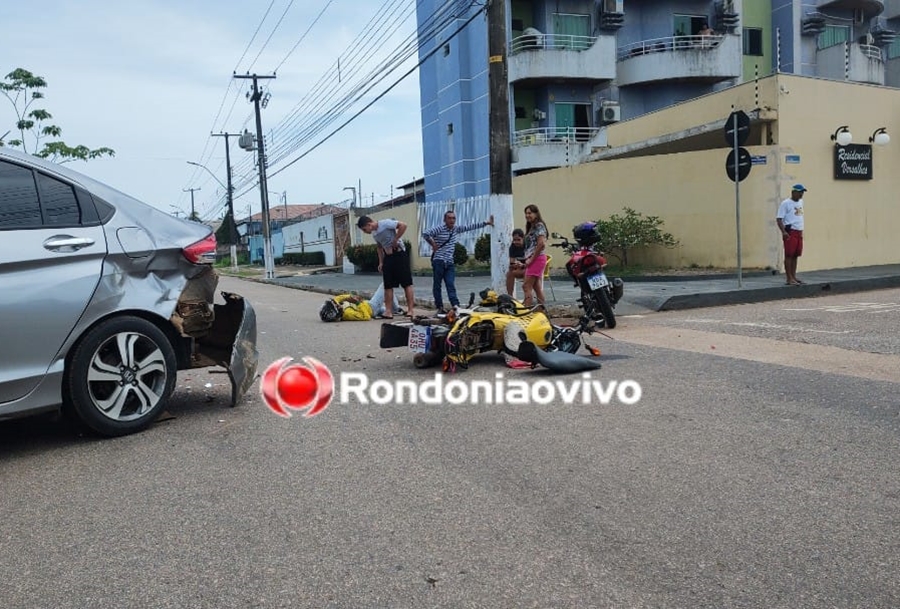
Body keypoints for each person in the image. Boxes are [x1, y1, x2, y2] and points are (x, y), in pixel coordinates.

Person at [423, 210, 494, 314]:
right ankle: (439, 307)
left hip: (449, 262)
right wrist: (433, 244)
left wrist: (486, 223)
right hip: (439, 261)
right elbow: (425, 234)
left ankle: (455, 305)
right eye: (449, 218)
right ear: (445, 219)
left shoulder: (456, 229)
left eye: (453, 218)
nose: (452, 220)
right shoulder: (439, 229)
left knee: (450, 284)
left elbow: (470, 227)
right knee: (437, 285)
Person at [357, 215, 415, 318]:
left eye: (364, 229)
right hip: (388, 257)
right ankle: (388, 311)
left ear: (369, 224)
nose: (365, 232)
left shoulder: (385, 223)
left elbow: (403, 225)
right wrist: (381, 262)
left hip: (399, 255)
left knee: (406, 283)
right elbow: (379, 247)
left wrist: (396, 239)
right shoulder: (374, 233)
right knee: (388, 285)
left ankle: (410, 310)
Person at [776, 184, 807, 285]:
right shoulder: (786, 203)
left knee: (796, 255)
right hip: (790, 231)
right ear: (793, 192)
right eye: (799, 192)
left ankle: (794, 276)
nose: (801, 194)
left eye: (802, 192)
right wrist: (784, 232)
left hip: (799, 232)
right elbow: (779, 219)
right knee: (789, 255)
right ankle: (789, 278)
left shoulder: (801, 202)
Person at [520, 204, 548, 307]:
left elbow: (541, 244)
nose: (527, 215)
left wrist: (531, 260)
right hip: (533, 259)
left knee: (526, 286)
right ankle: (541, 311)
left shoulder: (539, 226)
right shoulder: (531, 227)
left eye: (530, 213)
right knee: (536, 287)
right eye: (526, 213)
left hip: (537, 259)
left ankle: (527, 312)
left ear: (536, 214)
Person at [505, 228, 526, 296]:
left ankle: (527, 297)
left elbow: (533, 260)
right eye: (514, 240)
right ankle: (510, 296)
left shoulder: (528, 245)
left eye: (518, 240)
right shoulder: (513, 247)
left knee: (527, 274)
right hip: (521, 268)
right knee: (510, 273)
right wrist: (514, 265)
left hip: (531, 267)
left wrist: (523, 265)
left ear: (523, 239)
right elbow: (511, 262)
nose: (516, 242)